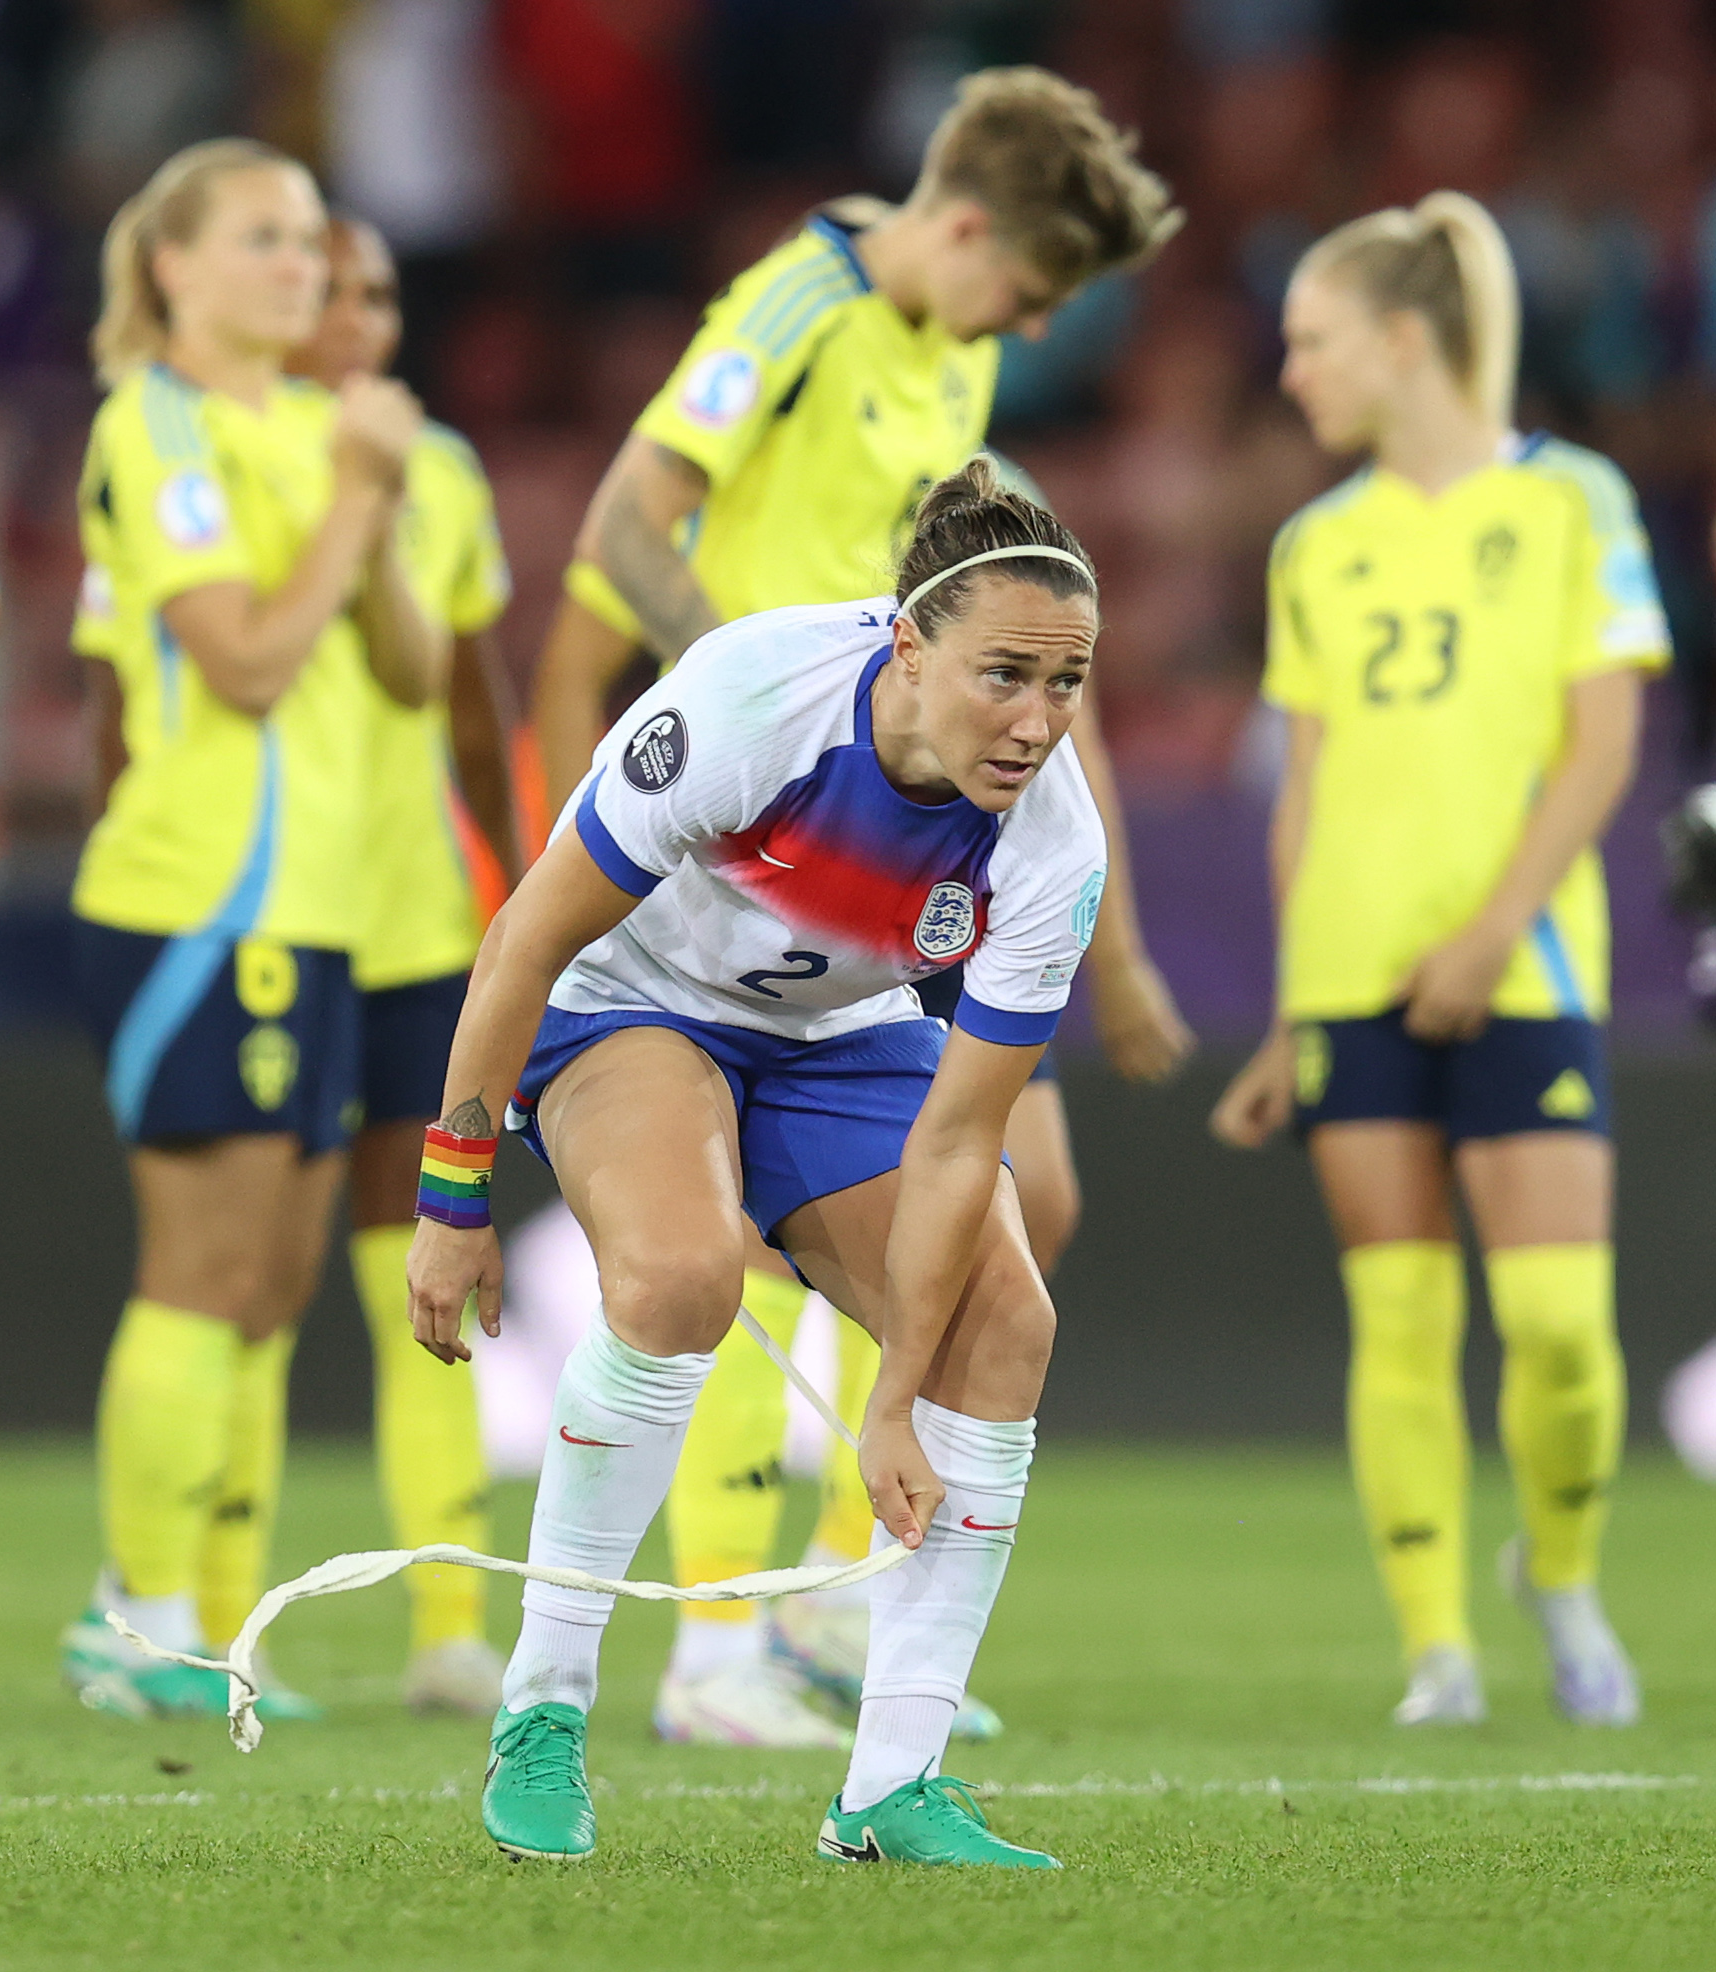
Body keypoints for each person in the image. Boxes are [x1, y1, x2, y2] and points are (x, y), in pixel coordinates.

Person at [519, 67, 1189, 1748]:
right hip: (744, 835)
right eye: (1025, 291)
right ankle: (718, 1646)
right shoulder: (796, 306)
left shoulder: (944, 348)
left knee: (1012, 1205)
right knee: (719, 1233)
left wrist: (1106, 944)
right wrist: (746, 714)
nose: (1023, 327)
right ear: (961, 227)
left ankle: (832, 1604)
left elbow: (1001, 634)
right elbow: (621, 522)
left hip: (884, 849)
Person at [412, 460, 1102, 1868]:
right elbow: (527, 940)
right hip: (629, 997)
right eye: (1003, 677)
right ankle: (541, 1710)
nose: (1034, 724)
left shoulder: (1053, 842)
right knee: (675, 1281)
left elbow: (964, 1136)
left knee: (1005, 1322)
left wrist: (891, 1403)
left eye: (1067, 684)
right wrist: (453, 1194)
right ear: (906, 649)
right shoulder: (749, 701)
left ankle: (889, 1788)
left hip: (839, 1027)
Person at [1212, 193, 1657, 1728]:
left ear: (1405, 343)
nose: (1291, 374)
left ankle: (1565, 1572)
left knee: (1556, 1332)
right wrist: (1286, 1013)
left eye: (1312, 340)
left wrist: (1484, 933)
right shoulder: (1310, 547)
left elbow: (1603, 745)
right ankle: (1435, 1647)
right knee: (1398, 1320)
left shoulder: (1569, 501)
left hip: (1522, 966)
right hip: (1350, 982)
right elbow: (1305, 798)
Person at [57, 138, 446, 1719]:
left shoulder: (313, 428)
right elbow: (244, 662)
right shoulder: (154, 428)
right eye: (266, 240)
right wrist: (356, 501)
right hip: (198, 904)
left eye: (309, 240)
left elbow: (412, 670)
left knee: (272, 1291)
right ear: (174, 268)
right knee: (201, 1273)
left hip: (322, 915)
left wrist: (372, 499)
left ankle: (213, 1632)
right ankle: (133, 1622)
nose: (302, 267)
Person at [276, 212, 520, 1715]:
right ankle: (151, 1591)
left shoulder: (442, 475)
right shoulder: (219, 455)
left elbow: (474, 706)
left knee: (415, 1276)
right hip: (269, 917)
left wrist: (526, 896)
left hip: (418, 920)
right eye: (326, 288)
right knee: (235, 1284)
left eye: (376, 290)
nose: (358, 316)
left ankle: (446, 1624)